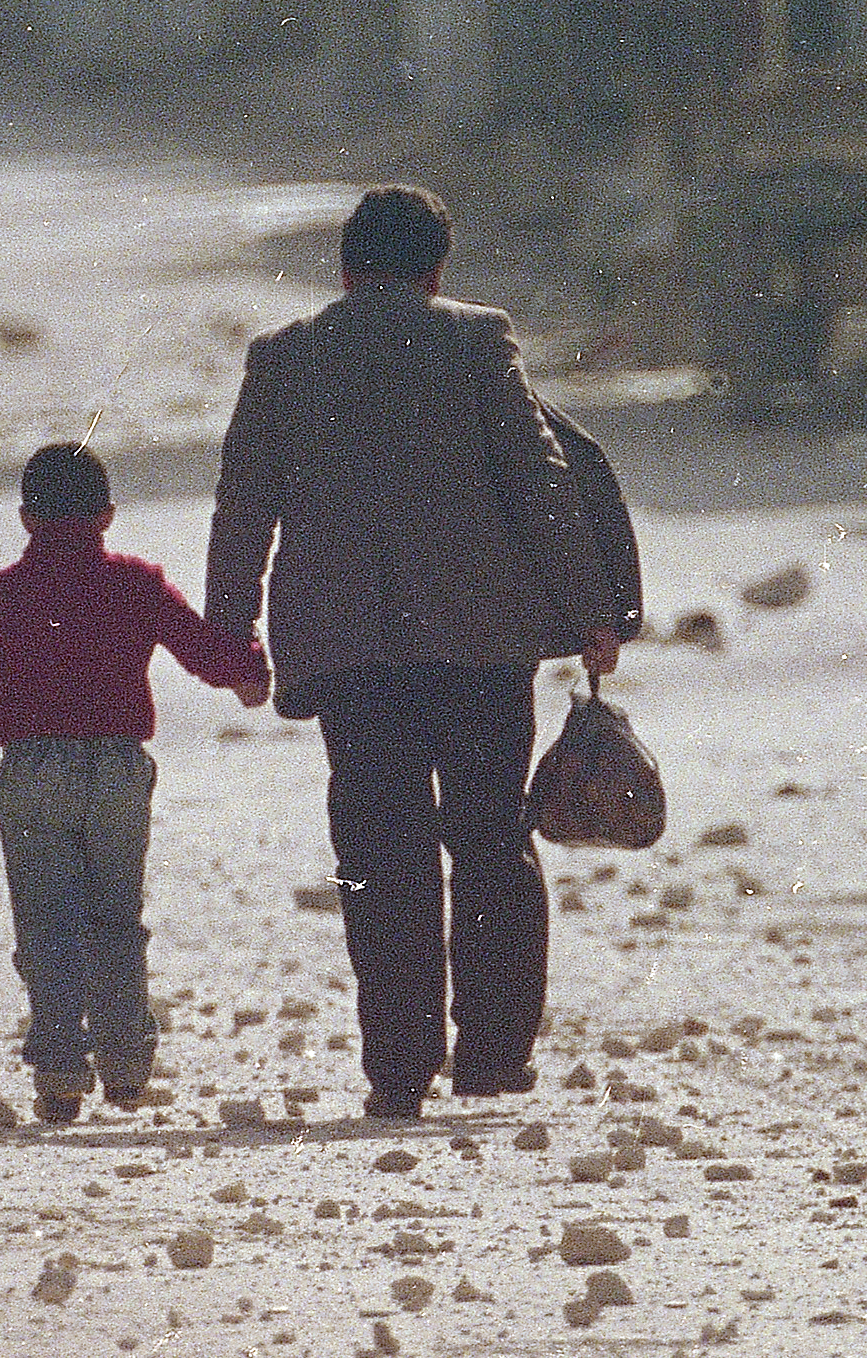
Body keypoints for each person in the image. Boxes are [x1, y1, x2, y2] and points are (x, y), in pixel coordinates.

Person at [206, 185, 620, 1118]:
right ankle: (489, 1054)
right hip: (479, 642)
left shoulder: (283, 357)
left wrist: (229, 635)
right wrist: (592, 610)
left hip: (348, 649)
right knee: (488, 837)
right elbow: (538, 478)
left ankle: (396, 1067)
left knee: (378, 850)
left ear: (345, 270)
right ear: (437, 271)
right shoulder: (477, 338)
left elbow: (243, 506)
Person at [0, 441, 269, 1122]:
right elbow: (206, 655)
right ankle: (125, 1067)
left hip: (32, 766)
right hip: (115, 765)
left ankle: (58, 1074)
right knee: (116, 918)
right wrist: (250, 665)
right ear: (107, 515)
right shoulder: (137, 582)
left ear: (25, 518)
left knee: (46, 923)